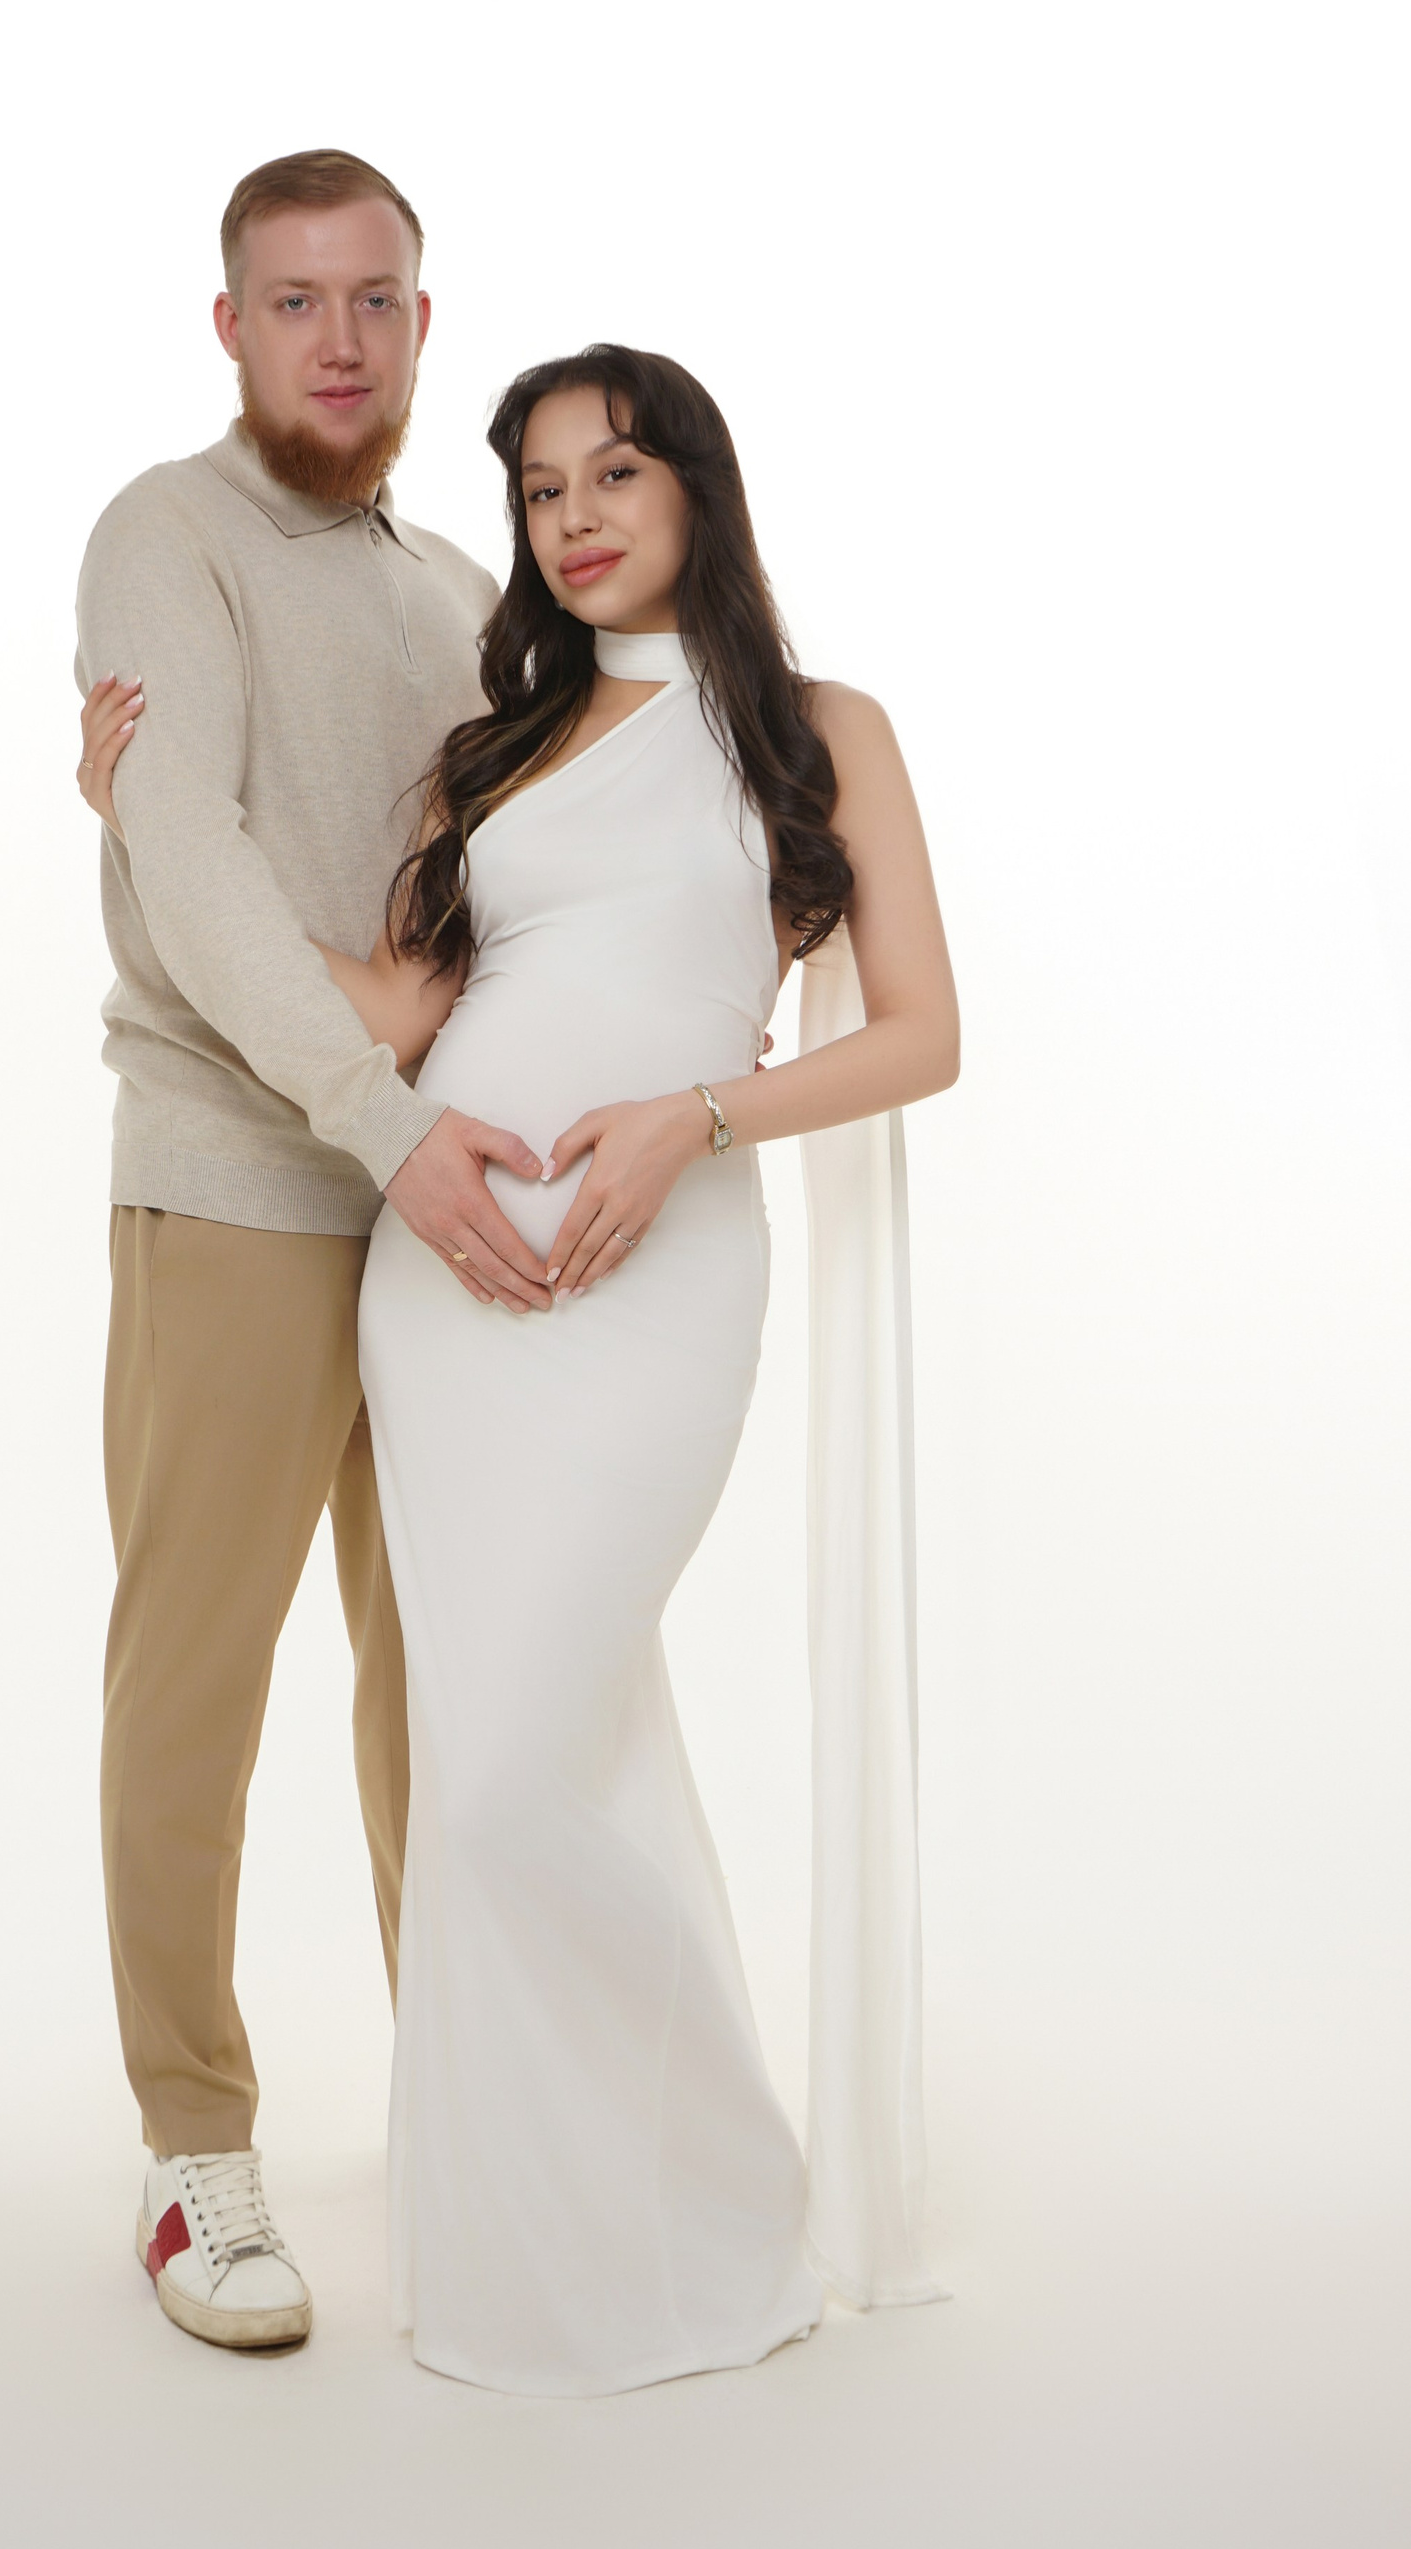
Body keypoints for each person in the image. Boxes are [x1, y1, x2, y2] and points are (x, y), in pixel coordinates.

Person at [90, 342, 958, 2394]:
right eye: (542, 488)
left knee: (513, 1764)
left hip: (661, 1282)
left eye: (615, 475)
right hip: (445, 1282)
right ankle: (535, 2192)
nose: (574, 518)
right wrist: (142, 826)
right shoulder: (499, 749)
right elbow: (394, 1010)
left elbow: (922, 1035)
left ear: (698, 491)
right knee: (486, 1752)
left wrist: (696, 1120)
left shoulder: (824, 731)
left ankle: (699, 2197)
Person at [70, 149, 557, 2356]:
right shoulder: (164, 536)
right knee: (197, 1682)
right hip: (249, 1186)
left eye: (375, 299)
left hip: (438, 1198)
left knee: (443, 1684)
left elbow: (530, 864)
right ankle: (195, 2153)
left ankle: (469, 2109)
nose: (338, 339)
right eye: (295, 300)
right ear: (232, 326)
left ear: (423, 326)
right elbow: (190, 859)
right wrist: (378, 1102)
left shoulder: (458, 584)